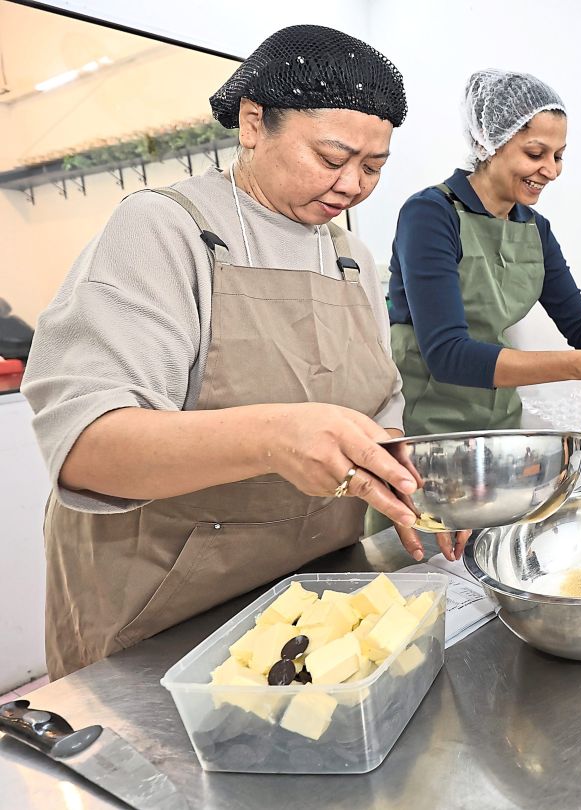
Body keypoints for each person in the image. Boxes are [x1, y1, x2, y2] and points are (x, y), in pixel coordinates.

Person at [22, 25, 464, 679]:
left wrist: (414, 493)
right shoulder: (165, 229)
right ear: (254, 124)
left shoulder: (349, 256)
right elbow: (88, 450)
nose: (352, 186)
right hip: (164, 616)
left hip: (312, 598)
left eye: (373, 168)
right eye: (332, 157)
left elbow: (379, 414)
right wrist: (274, 435)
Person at [388, 69, 581, 437]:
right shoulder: (430, 214)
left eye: (559, 156)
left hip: (500, 426)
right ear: (489, 144)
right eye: (536, 153)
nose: (551, 170)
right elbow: (448, 355)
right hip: (427, 430)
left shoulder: (535, 229)